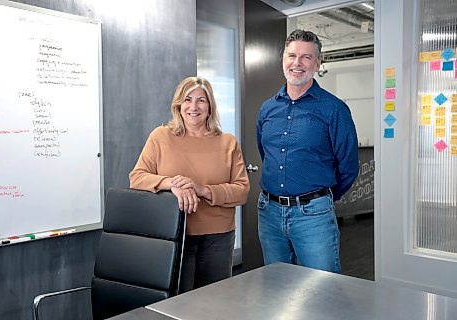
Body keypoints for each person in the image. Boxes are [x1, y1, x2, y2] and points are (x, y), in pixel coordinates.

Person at [129, 76, 250, 292]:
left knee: (215, 301)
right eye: (187, 99)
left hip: (218, 237)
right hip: (174, 233)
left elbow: (242, 191)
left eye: (201, 100)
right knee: (178, 302)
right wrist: (171, 184)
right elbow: (137, 177)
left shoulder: (228, 142)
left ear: (210, 106)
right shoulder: (160, 137)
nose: (193, 106)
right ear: (178, 105)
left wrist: (203, 190)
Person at [256, 29, 359, 273]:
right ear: (283, 59)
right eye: (292, 56)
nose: (297, 63)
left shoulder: (334, 109)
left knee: (323, 288)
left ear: (317, 63)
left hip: (313, 215)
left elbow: (348, 167)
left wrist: (320, 198)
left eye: (306, 57)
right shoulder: (267, 108)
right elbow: (266, 154)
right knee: (276, 285)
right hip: (268, 213)